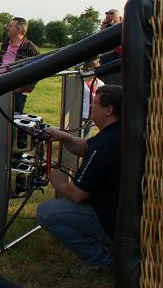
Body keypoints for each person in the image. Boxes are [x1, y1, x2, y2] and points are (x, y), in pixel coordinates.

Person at [37, 85, 122, 277]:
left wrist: (57, 181)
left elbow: (77, 194)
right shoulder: (117, 132)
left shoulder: (106, 145)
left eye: (95, 103)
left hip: (109, 221)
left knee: (47, 213)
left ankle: (101, 260)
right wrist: (65, 137)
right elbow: (86, 147)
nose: (90, 107)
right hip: (121, 216)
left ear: (109, 110)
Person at [0, 17, 40, 149]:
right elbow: (0, 63)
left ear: (19, 30)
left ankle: (16, 148)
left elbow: (38, 73)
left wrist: (21, 88)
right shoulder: (6, 43)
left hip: (17, 92)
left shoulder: (31, 48)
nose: (7, 28)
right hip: (0, 87)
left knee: (14, 120)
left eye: (11, 26)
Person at [99, 9, 123, 85]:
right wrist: (102, 33)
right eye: (107, 23)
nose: (110, 26)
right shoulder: (100, 36)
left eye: (113, 22)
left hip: (119, 72)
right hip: (104, 72)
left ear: (121, 20)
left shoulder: (127, 33)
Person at [82, 58, 104, 138]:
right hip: (80, 116)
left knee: (87, 137)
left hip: (91, 117)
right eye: (95, 69)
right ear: (88, 69)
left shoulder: (100, 83)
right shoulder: (80, 82)